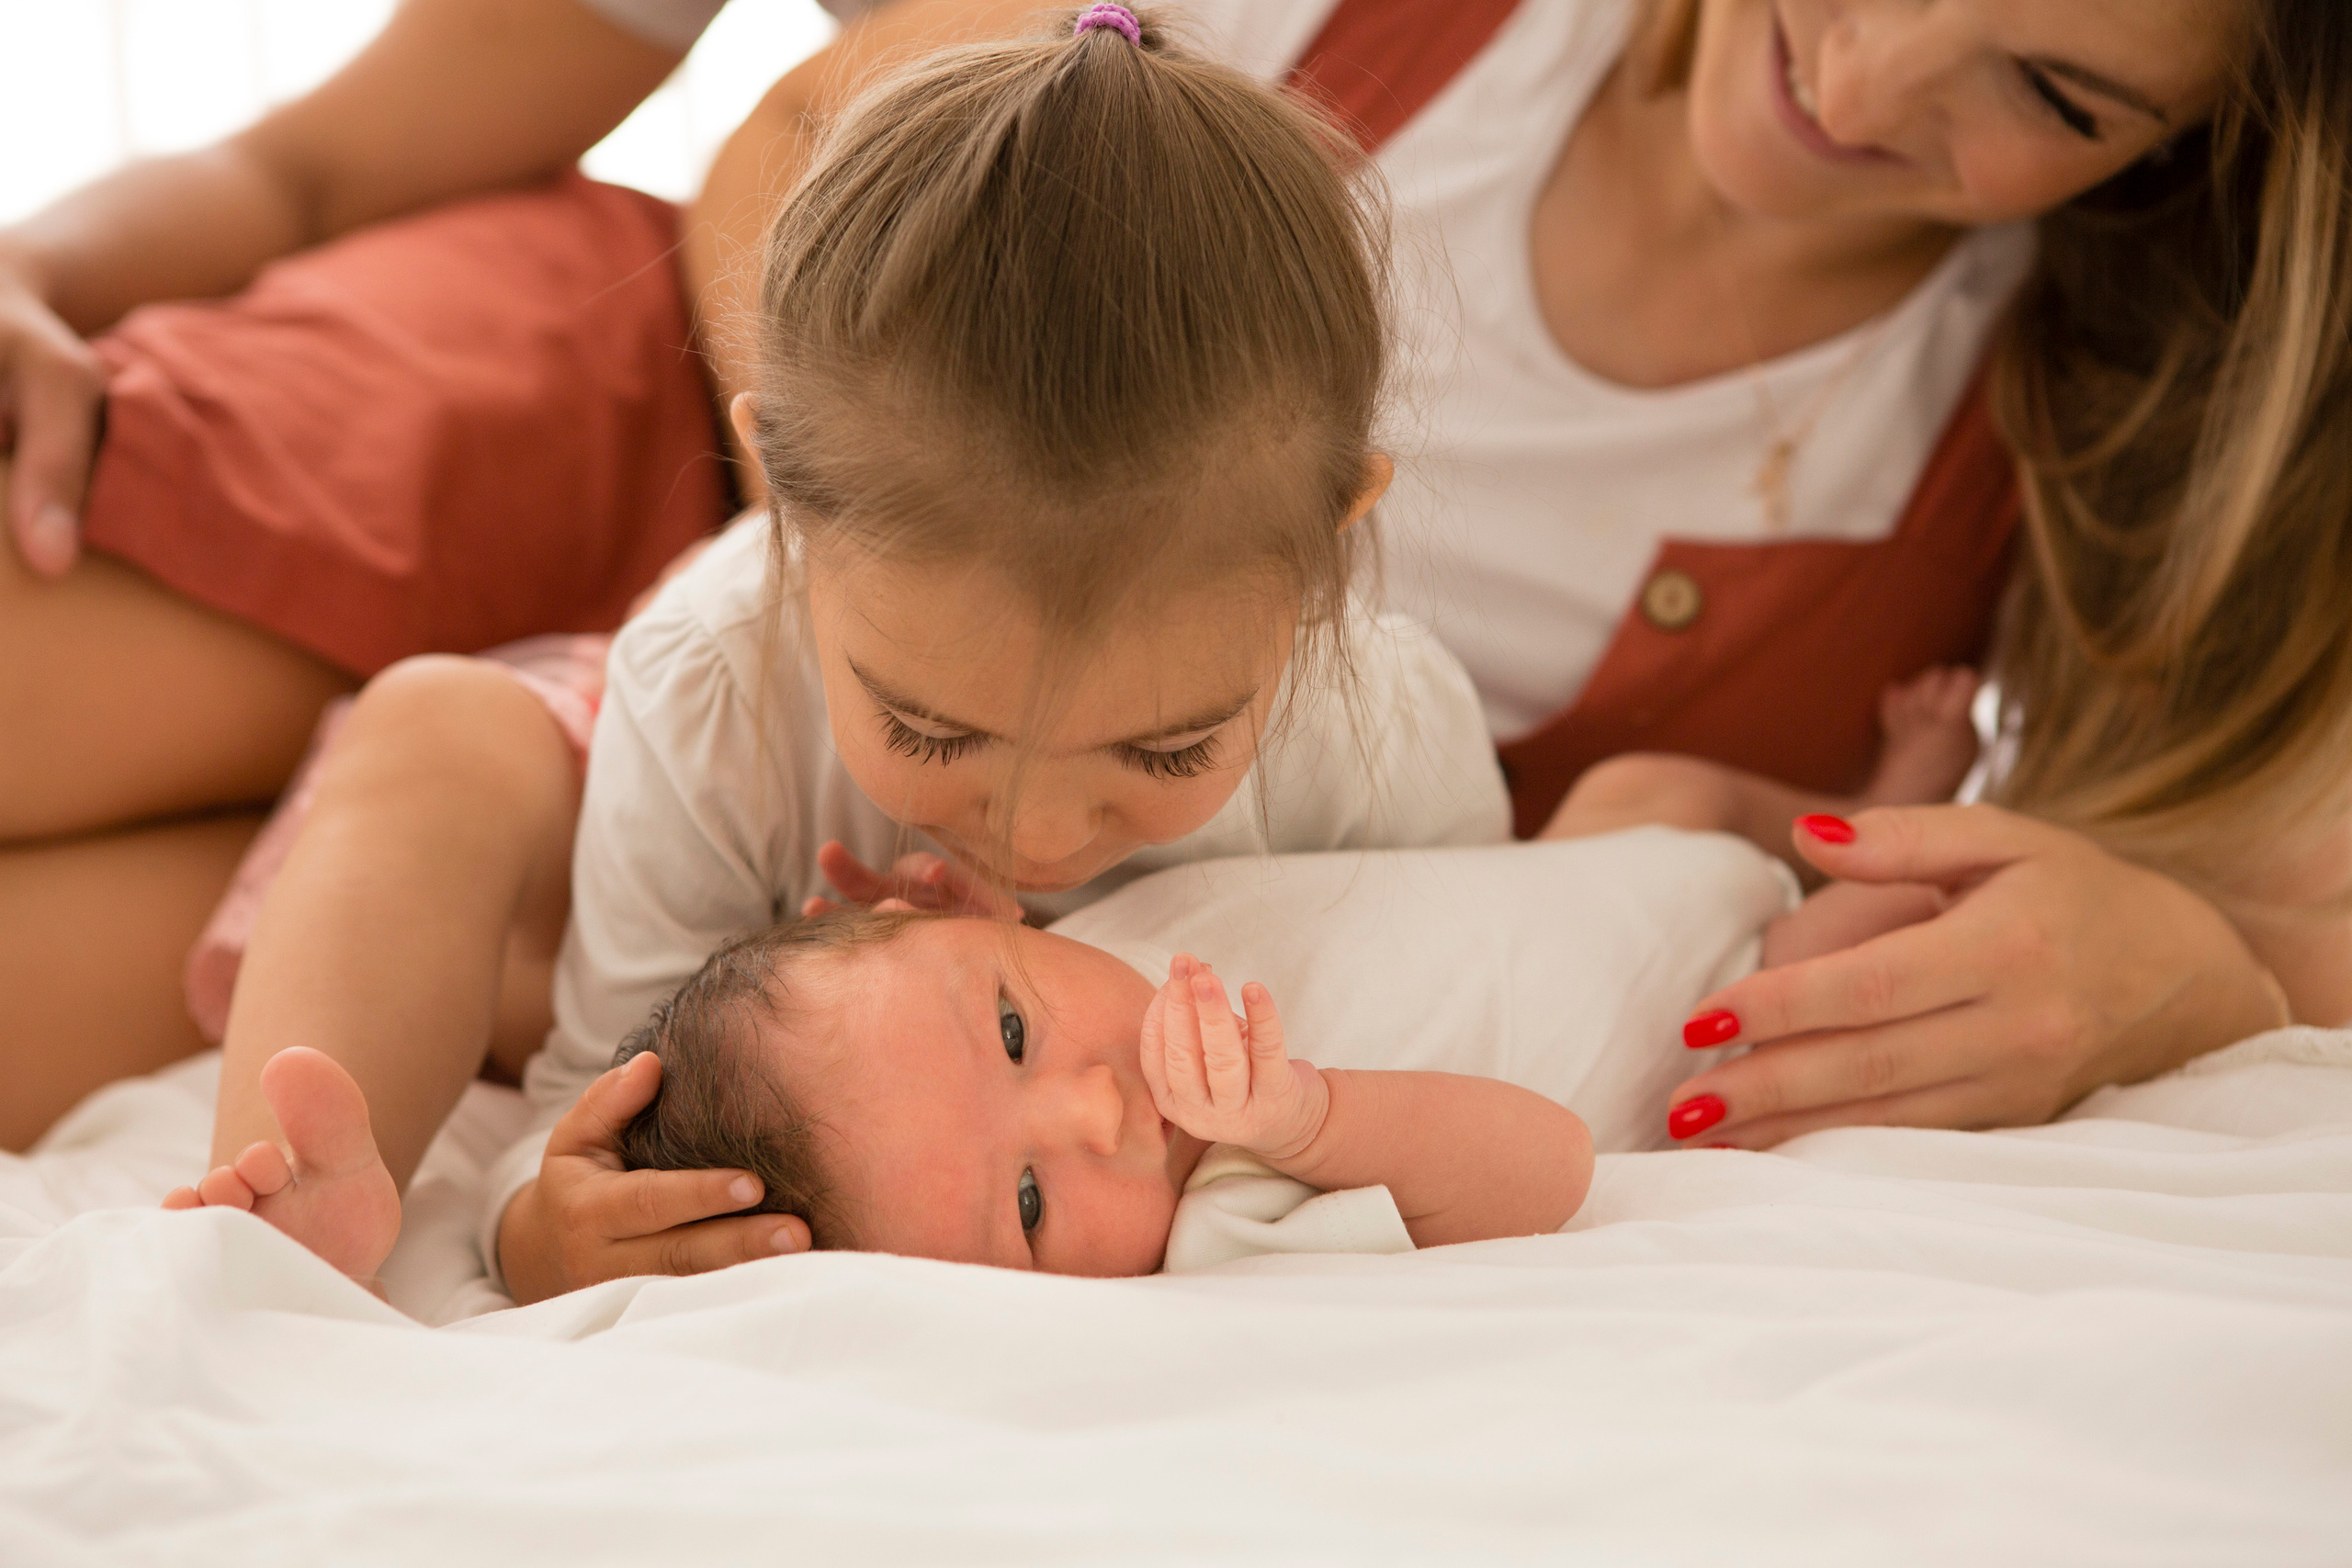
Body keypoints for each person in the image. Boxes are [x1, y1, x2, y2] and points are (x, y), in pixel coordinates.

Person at [10, 0, 2350, 1153]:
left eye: (2049, 88)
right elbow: (385, 151)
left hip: (932, 898)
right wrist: (54, 258)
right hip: (612, 448)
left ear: (2190, 148)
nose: (1872, 62)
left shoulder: (2090, 448)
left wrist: (2205, 962)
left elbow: (2287, 910)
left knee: (149, 1006)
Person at [160, 10, 1512, 1300]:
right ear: (789, 503)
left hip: (723, 995)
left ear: (1325, 561)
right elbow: (604, 1082)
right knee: (437, 731)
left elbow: (1481, 1010)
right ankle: (298, 1189)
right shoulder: (707, 680)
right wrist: (536, 1226)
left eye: (1166, 748)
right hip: (580, 865)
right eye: (932, 733)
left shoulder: (1391, 743)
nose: (1031, 831)